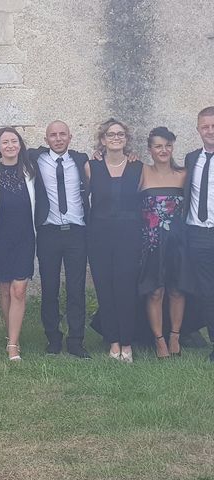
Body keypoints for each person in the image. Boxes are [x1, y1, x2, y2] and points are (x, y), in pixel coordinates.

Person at [28, 121, 92, 358]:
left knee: (76, 288)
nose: (58, 138)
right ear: (46, 140)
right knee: (49, 288)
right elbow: (4, 149)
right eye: (53, 135)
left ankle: (76, 340)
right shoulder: (35, 157)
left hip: (77, 231)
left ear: (70, 137)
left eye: (62, 134)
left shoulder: (80, 159)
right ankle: (53, 338)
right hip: (48, 233)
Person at [85, 119, 143, 362]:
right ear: (103, 139)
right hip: (99, 237)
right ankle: (114, 342)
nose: (116, 138)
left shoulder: (138, 168)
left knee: (126, 290)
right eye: (111, 134)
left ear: (126, 139)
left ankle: (127, 344)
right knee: (105, 290)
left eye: (120, 134)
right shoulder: (91, 166)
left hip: (129, 238)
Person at [0, 127, 36, 361]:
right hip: (0, 237)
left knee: (19, 290)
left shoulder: (31, 169)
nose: (10, 145)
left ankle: (13, 345)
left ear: (20, 145)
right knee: (5, 290)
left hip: (24, 237)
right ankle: (12, 335)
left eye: (14, 141)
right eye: (5, 142)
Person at [139, 127, 190, 358]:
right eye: (158, 146)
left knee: (177, 290)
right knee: (155, 291)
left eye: (168, 145)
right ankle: (159, 339)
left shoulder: (183, 174)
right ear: (150, 149)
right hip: (151, 242)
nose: (164, 150)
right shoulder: (141, 172)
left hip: (178, 242)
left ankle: (175, 336)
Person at [184, 106, 214, 363]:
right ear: (198, 130)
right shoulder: (192, 159)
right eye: (205, 126)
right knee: (206, 290)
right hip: (197, 234)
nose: (210, 130)